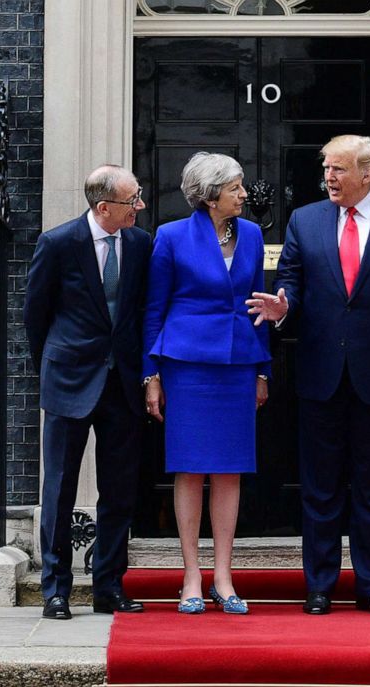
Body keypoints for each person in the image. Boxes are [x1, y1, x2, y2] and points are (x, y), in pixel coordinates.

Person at [247, 134, 370, 616]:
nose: (328, 178)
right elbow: (290, 279)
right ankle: (320, 585)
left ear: (368, 174)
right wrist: (282, 304)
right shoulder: (305, 220)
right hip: (320, 372)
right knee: (320, 485)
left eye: (337, 169)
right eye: (326, 169)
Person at [143, 152, 271, 615]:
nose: (243, 193)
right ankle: (191, 576)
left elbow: (258, 304)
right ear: (211, 194)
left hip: (238, 363)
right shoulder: (172, 236)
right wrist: (151, 375)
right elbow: (154, 309)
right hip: (187, 364)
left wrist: (262, 370)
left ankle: (223, 576)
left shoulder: (253, 234)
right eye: (235, 187)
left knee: (230, 470)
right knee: (191, 468)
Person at [24, 165, 151, 620]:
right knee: (59, 488)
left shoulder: (140, 243)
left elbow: (139, 310)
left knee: (119, 490)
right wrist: (54, 366)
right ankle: (55, 589)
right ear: (104, 207)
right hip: (69, 380)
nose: (140, 206)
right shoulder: (59, 243)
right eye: (132, 200)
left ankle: (108, 586)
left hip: (122, 384)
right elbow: (35, 316)